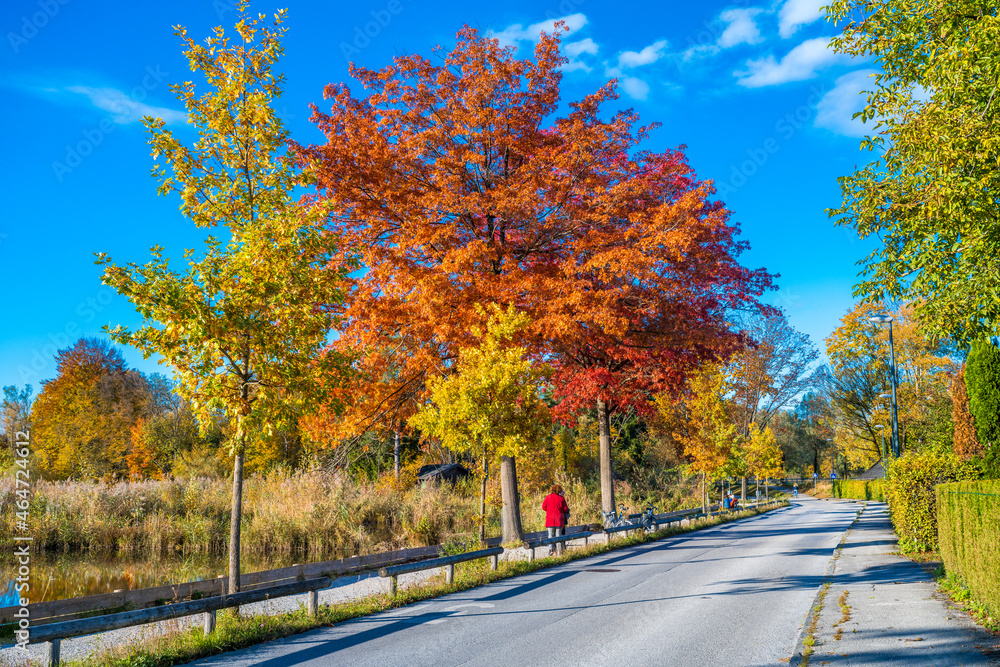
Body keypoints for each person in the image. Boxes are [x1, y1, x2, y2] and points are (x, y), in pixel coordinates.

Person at [542, 484, 570, 556]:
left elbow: (543, 507)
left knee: (550, 535)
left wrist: (549, 510)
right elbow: (565, 509)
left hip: (550, 519)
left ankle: (551, 550)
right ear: (559, 490)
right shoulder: (561, 498)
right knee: (558, 535)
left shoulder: (547, 497)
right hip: (559, 519)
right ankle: (559, 552)